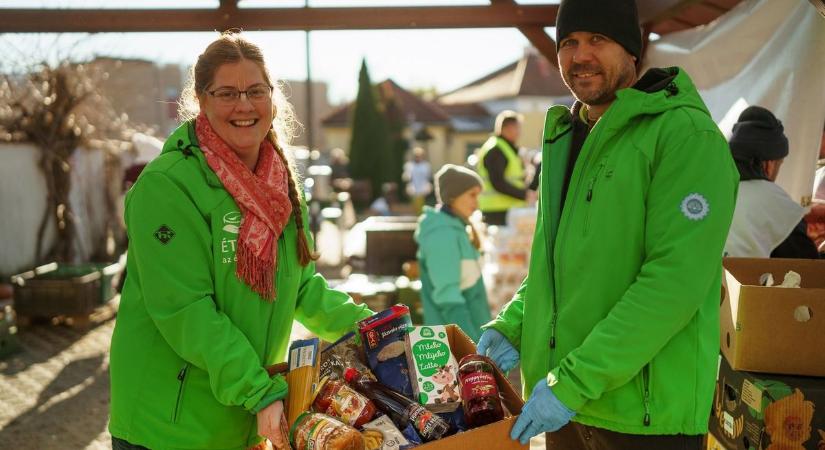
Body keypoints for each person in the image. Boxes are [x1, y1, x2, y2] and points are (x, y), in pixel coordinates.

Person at [475, 0, 739, 448]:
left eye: (598, 39)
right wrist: (515, 323)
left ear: (632, 52)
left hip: (642, 417)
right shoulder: (570, 134)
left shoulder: (684, 136)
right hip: (570, 404)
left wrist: (576, 383)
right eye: (569, 42)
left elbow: (673, 283)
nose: (580, 56)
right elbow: (562, 262)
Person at [108, 31, 373, 450]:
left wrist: (373, 331)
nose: (244, 105)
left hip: (242, 416)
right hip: (168, 425)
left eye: (255, 91)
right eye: (227, 93)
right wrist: (259, 390)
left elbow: (301, 286)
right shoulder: (167, 187)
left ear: (272, 96)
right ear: (201, 99)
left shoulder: (277, 182)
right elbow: (187, 310)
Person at [725, 106, 820, 259]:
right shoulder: (775, 203)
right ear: (768, 165)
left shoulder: (711, 188)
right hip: (743, 281)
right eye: (780, 163)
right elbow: (807, 264)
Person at [414, 164, 491, 342]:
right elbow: (448, 299)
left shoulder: (457, 229)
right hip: (454, 347)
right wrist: (473, 346)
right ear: (453, 196)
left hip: (470, 340)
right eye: (472, 195)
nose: (477, 203)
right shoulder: (442, 235)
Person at [477, 110, 530, 226]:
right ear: (508, 128)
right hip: (499, 211)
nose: (519, 132)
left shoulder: (502, 147)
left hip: (503, 209)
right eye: (517, 128)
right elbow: (498, 182)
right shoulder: (497, 149)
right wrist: (524, 194)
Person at [403, 146, 433, 214]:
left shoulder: (426, 165)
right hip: (413, 188)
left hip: (423, 188)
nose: (417, 157)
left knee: (422, 205)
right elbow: (407, 178)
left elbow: (428, 177)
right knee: (415, 206)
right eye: (416, 155)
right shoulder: (409, 165)